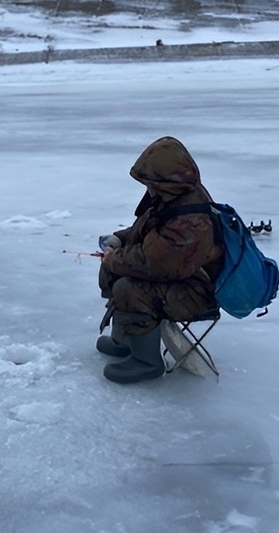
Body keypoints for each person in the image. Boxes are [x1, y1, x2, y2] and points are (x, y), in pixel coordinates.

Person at [96, 136, 224, 385]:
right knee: (114, 271)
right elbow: (150, 234)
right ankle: (124, 342)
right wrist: (120, 239)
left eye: (152, 183)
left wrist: (113, 259)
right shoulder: (172, 197)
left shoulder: (191, 220)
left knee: (129, 288)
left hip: (198, 291)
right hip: (181, 275)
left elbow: (152, 264)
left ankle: (146, 362)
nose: (149, 189)